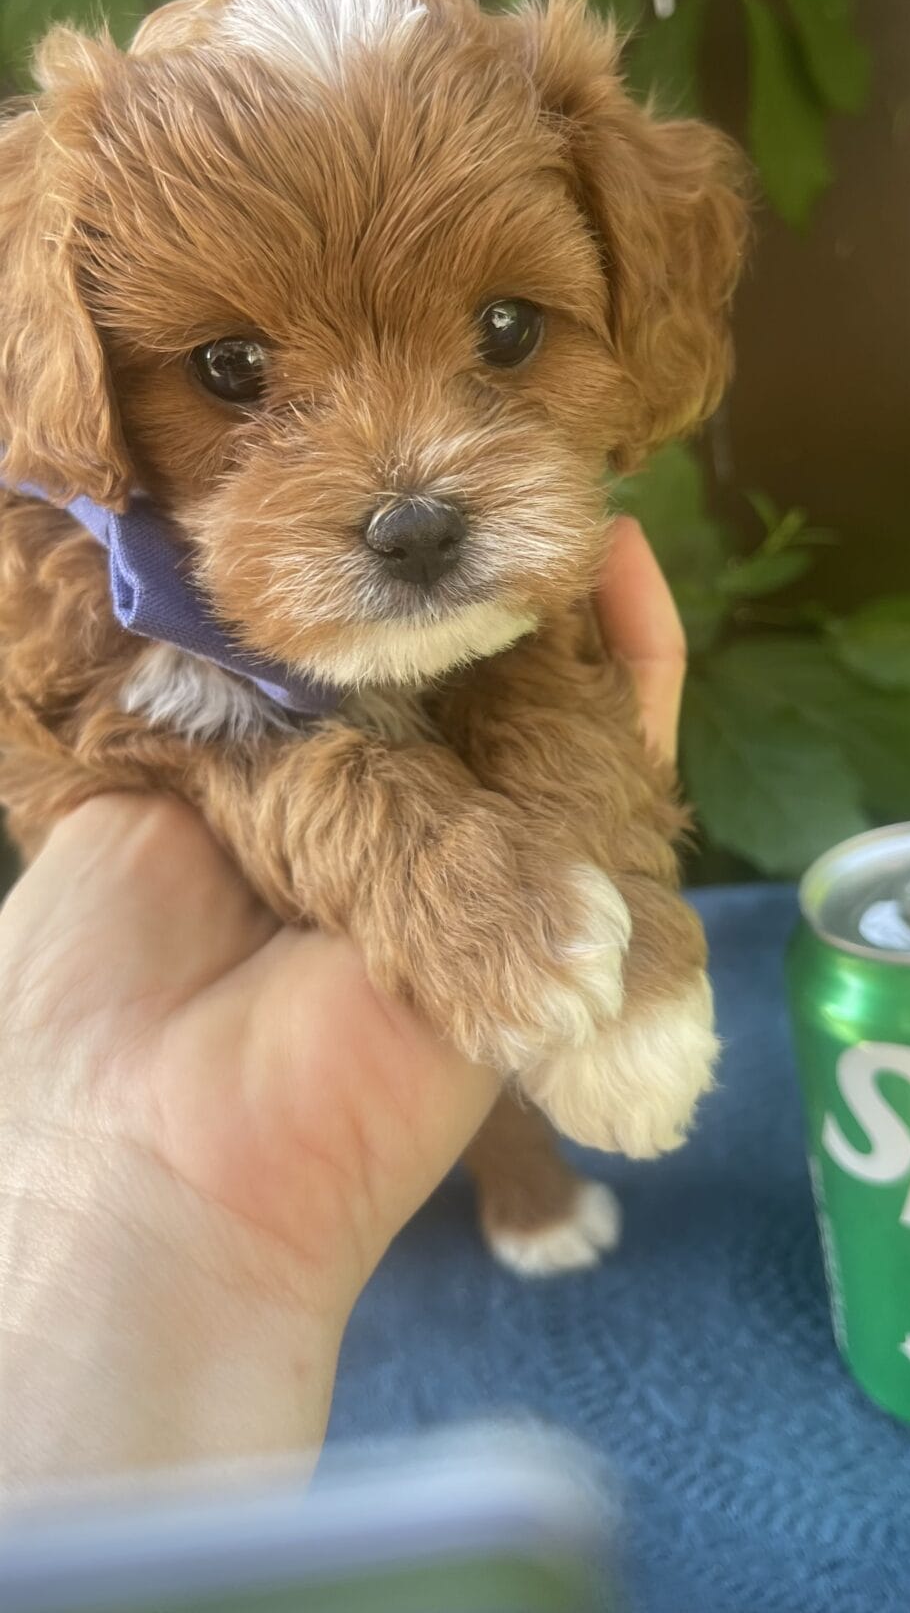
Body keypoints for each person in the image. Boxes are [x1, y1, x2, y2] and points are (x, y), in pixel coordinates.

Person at [0, 518, 687, 1493]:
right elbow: (83, 743)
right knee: (473, 987)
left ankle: (524, 1178)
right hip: (198, 915)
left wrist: (607, 855)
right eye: (239, 407)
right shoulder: (62, 578)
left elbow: (536, 665)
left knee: (473, 1031)